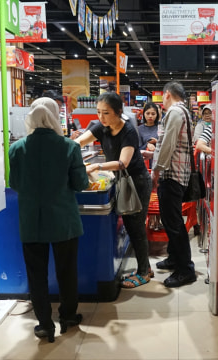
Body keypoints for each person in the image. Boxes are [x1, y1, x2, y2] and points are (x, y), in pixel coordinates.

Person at [8, 97, 89, 343]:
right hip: (64, 220)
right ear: (55, 116)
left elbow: (15, 184)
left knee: (36, 274)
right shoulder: (69, 147)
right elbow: (80, 184)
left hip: (31, 221)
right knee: (67, 271)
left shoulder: (17, 148)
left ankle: (44, 325)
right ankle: (67, 317)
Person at [73, 92, 153, 288]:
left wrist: (97, 167)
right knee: (131, 224)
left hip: (137, 183)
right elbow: (79, 143)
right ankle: (145, 268)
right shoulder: (102, 127)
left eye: (106, 113)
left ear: (118, 112)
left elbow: (122, 163)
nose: (101, 117)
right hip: (123, 182)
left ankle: (144, 272)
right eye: (98, 112)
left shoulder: (129, 132)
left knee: (136, 226)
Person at [152, 81, 197, 288]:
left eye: (162, 97)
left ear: (167, 94)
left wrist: (157, 169)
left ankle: (185, 269)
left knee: (174, 223)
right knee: (172, 221)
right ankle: (173, 258)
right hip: (179, 172)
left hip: (172, 174)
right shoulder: (185, 112)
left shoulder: (174, 112)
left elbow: (168, 142)